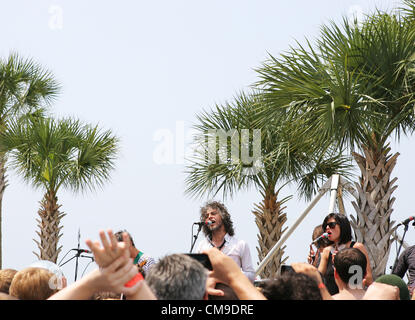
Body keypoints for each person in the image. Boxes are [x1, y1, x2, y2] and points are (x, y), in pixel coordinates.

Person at [196, 201, 255, 282]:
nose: (209, 217)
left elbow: (251, 275)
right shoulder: (202, 245)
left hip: (232, 292)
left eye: (213, 213)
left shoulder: (240, 244)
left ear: (223, 216)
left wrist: (232, 274)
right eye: (206, 216)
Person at [318, 213, 373, 295]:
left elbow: (368, 279)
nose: (327, 228)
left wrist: (340, 264)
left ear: (343, 226)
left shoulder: (356, 247)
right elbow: (318, 278)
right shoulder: (327, 251)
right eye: (325, 225)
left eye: (332, 225)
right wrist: (313, 263)